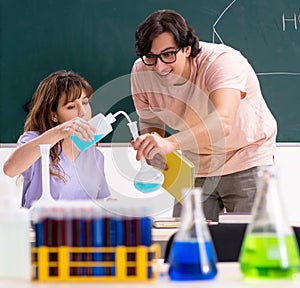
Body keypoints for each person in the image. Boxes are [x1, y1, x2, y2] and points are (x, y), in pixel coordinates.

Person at [130, 9, 277, 221]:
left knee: (249, 240)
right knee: (187, 238)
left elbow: (223, 120)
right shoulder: (141, 72)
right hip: (195, 165)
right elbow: (150, 119)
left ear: (187, 49)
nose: (159, 66)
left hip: (246, 157)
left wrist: (170, 143)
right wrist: (152, 146)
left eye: (168, 55)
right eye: (151, 57)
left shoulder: (222, 61)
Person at [3, 70, 110, 208]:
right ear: (54, 115)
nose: (83, 112)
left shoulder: (95, 156)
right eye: (71, 106)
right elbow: (10, 169)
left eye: (85, 102)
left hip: (80, 229)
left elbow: (103, 203)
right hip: (39, 228)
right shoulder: (36, 141)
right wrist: (60, 132)